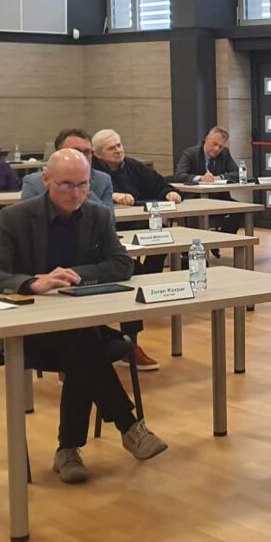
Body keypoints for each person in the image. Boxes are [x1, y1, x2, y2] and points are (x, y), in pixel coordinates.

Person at [0, 148, 167, 483]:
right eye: (66, 185)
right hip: (25, 329)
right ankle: (126, 426)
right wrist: (33, 283)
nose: (76, 193)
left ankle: (69, 451)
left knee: (81, 341)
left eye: (83, 185)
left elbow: (121, 264)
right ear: (46, 180)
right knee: (85, 343)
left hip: (77, 326)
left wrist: (77, 274)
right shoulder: (15, 218)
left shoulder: (96, 215)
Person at [92, 128, 182, 372]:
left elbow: (158, 184)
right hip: (106, 234)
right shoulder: (92, 174)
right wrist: (113, 196)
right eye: (112, 148)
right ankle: (124, 343)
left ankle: (131, 340)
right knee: (133, 271)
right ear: (97, 153)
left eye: (119, 145)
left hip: (138, 226)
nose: (118, 150)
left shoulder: (133, 166)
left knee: (163, 240)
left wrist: (169, 192)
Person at [175, 126, 242, 235]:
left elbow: (238, 173)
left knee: (240, 210)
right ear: (207, 139)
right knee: (196, 213)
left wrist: (219, 177)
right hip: (195, 198)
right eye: (214, 144)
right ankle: (197, 242)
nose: (217, 149)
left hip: (219, 198)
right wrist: (200, 178)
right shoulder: (191, 153)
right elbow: (179, 175)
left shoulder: (225, 154)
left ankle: (221, 238)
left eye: (220, 146)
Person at [22, 128, 114, 207]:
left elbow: (108, 219)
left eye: (87, 152)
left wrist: (85, 189)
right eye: (75, 152)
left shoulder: (103, 180)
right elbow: (28, 218)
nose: (82, 157)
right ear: (58, 154)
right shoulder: (33, 183)